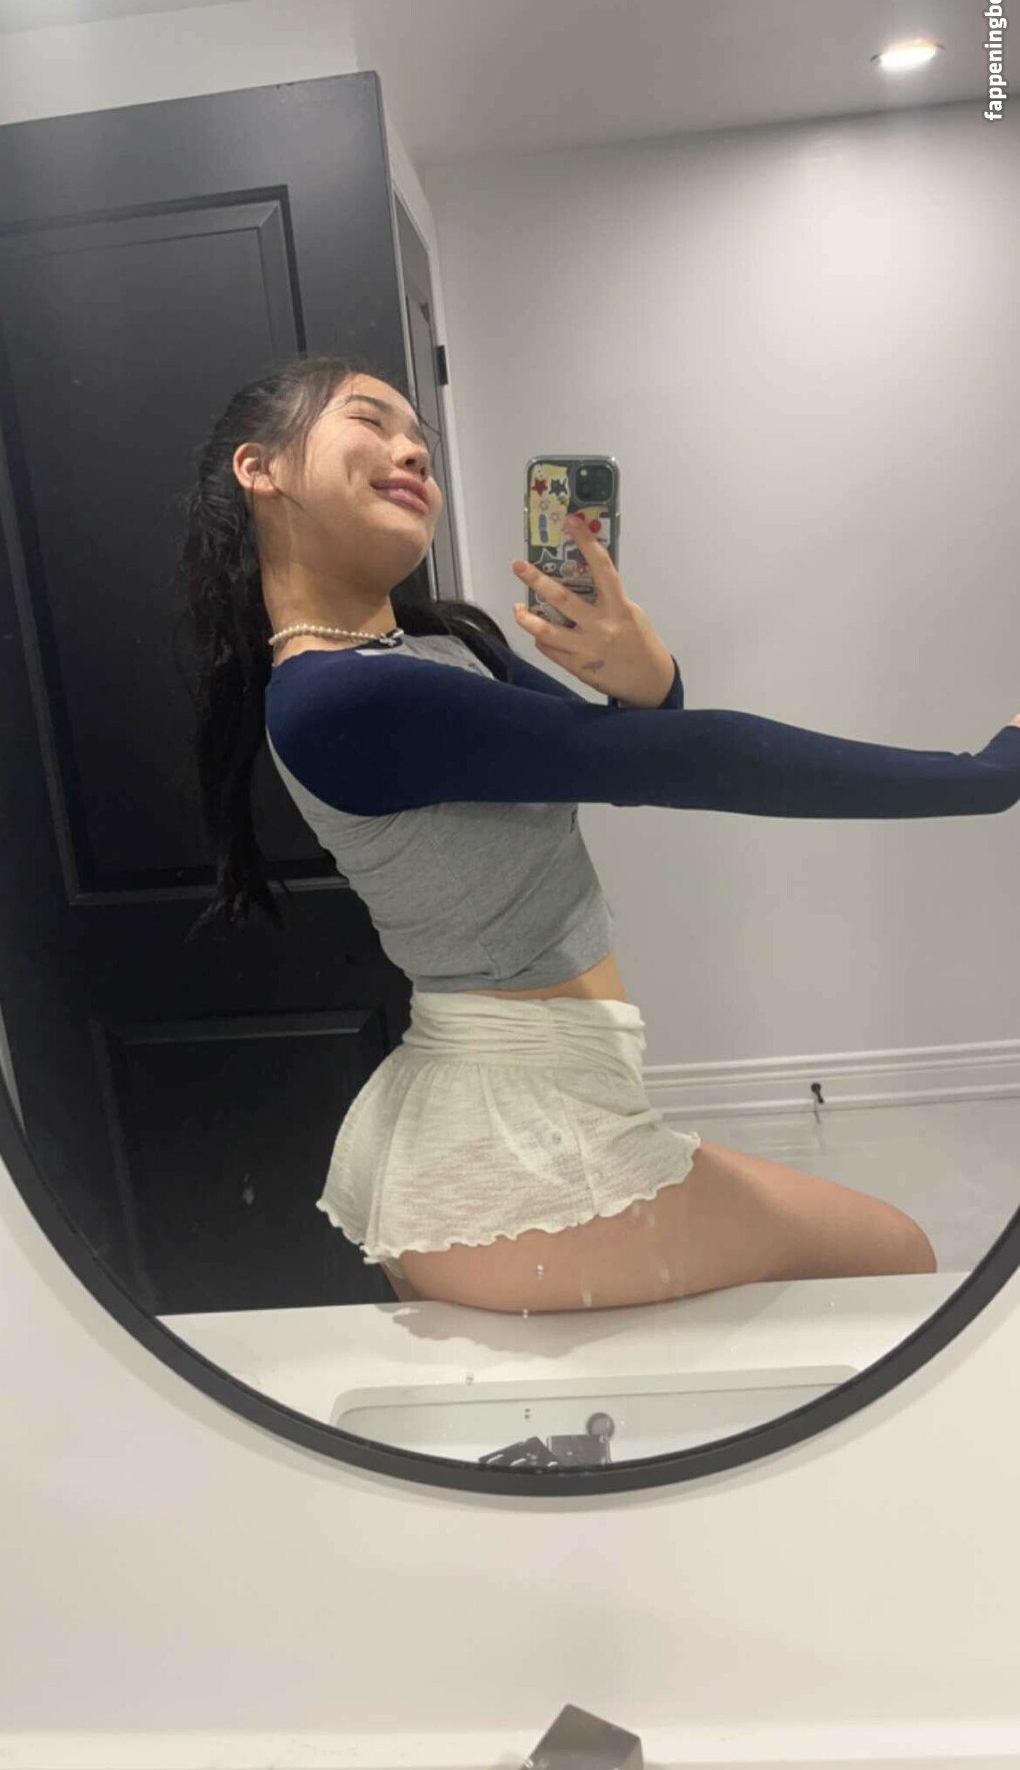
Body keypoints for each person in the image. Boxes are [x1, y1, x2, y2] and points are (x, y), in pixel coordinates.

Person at [177, 353, 1020, 1315]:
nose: (411, 452)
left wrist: (647, 677)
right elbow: (694, 760)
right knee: (896, 1256)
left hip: (549, 1097)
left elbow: (637, 751)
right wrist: (989, 776)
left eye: (422, 442)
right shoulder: (341, 698)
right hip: (508, 1144)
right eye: (370, 421)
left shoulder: (443, 646)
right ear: (261, 468)